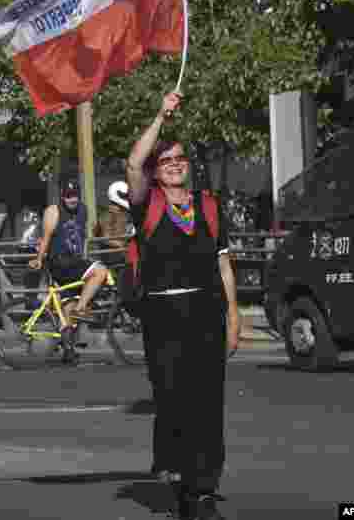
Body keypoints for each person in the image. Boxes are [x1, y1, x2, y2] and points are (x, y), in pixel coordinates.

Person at [126, 91, 239, 520]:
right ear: (157, 172)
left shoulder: (208, 206)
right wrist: (160, 115)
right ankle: (177, 474)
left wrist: (233, 316)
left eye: (180, 160)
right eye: (166, 160)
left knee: (209, 404)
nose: (175, 165)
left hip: (207, 315)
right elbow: (133, 164)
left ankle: (202, 490)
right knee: (174, 401)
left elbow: (223, 263)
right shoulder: (148, 204)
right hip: (164, 317)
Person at [28, 177, 111, 362]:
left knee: (68, 307)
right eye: (67, 196)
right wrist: (39, 259)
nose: (71, 199)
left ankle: (68, 350)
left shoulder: (83, 210)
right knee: (100, 271)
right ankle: (82, 308)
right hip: (60, 262)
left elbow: (82, 237)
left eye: (74, 196)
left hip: (74, 262)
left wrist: (85, 258)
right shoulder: (53, 211)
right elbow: (46, 238)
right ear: (62, 196)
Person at [95, 180, 133, 252]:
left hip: (121, 253)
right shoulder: (108, 215)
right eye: (124, 196)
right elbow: (106, 239)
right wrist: (123, 245)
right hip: (111, 255)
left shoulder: (123, 213)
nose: (126, 198)